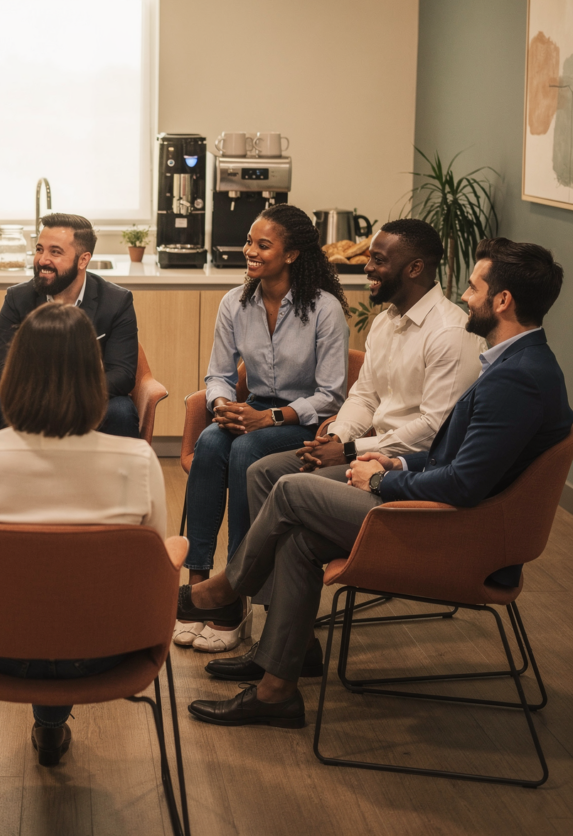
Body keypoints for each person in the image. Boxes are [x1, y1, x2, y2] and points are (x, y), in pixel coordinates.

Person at [179, 238, 572, 730]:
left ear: (503, 301)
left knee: (291, 490)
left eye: (474, 287)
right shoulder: (519, 365)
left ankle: (224, 590)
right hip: (442, 508)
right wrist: (398, 465)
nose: (466, 296)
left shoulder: (518, 378)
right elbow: (460, 459)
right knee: (300, 541)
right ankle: (277, 686)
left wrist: (383, 479)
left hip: (458, 534)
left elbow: (465, 486)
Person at [0, 302, 166, 767]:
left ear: (14, 374)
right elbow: (156, 564)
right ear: (93, 376)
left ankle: (50, 724)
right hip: (108, 648)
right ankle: (53, 724)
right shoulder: (138, 463)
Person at [239, 219, 483, 610]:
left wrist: (351, 450)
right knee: (263, 471)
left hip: (411, 470)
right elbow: (365, 396)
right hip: (368, 454)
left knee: (287, 486)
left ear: (415, 268)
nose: (367, 267)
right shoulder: (385, 323)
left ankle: (234, 593)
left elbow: (434, 431)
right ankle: (269, 610)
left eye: (378, 260)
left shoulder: (450, 333)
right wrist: (339, 437)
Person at [175, 204, 350, 654]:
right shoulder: (235, 302)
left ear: (291, 255)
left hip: (304, 422)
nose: (249, 252)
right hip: (250, 411)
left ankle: (234, 593)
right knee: (212, 441)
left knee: (246, 450)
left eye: (262, 245)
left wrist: (268, 418)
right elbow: (217, 373)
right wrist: (221, 404)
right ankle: (200, 585)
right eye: (249, 243)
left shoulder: (324, 309)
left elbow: (330, 394)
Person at [0, 213, 140, 438]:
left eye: (55, 252)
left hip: (92, 395)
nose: (42, 260)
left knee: (121, 412)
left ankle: (117, 473)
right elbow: (3, 370)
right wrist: (47, 397)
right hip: (34, 395)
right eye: (40, 249)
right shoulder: (17, 299)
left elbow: (123, 373)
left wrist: (72, 396)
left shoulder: (116, 301)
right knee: (3, 409)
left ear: (83, 260)